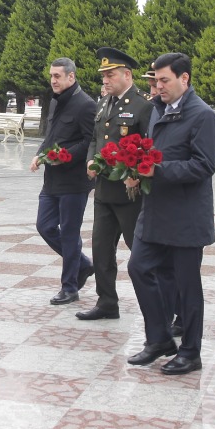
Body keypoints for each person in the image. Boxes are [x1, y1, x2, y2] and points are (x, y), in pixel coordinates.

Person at [125, 52, 215, 375]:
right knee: (138, 267)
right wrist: (135, 167)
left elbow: (204, 166)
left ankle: (191, 352)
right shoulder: (158, 110)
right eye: (157, 80)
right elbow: (153, 151)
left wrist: (157, 170)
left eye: (165, 80)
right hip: (155, 212)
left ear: (184, 78)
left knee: (187, 287)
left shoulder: (203, 115)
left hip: (186, 217)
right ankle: (160, 339)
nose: (159, 86)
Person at [76, 48, 152, 322]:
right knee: (101, 250)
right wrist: (90, 159)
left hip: (130, 192)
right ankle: (107, 302)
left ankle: (160, 305)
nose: (105, 80)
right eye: (103, 76)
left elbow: (150, 147)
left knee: (140, 253)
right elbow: (95, 138)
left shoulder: (143, 105)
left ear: (127, 75)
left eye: (110, 75)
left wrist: (138, 175)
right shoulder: (103, 103)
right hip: (104, 191)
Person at [31, 59, 97, 305]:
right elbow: (50, 136)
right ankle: (83, 264)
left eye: (57, 76)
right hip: (52, 180)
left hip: (74, 181)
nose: (53, 80)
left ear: (71, 77)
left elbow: (90, 142)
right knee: (44, 226)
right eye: (51, 76)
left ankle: (69, 288)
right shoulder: (55, 101)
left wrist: (65, 156)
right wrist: (40, 154)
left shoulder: (86, 105)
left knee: (69, 234)